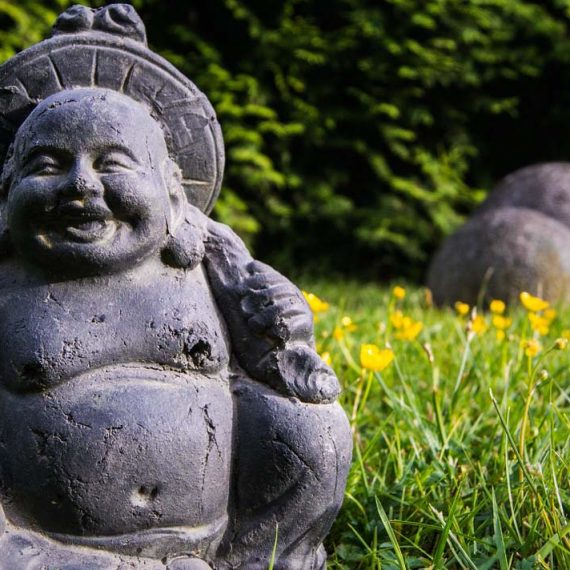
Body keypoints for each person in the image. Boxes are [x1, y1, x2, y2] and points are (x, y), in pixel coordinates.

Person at [0, 87, 351, 569]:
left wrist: (287, 325)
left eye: (114, 164)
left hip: (224, 532)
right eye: (45, 166)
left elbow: (281, 357)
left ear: (171, 193)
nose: (80, 184)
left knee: (310, 424)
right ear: (6, 192)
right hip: (42, 543)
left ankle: (263, 557)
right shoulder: (8, 281)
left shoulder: (210, 259)